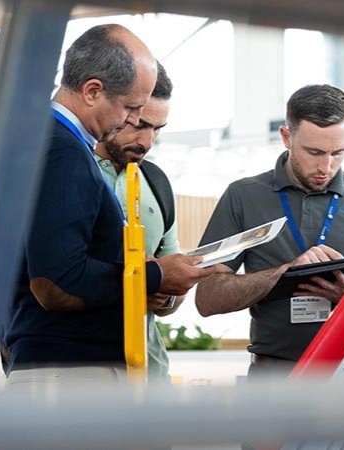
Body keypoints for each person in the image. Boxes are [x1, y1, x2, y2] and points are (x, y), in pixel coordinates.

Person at [1, 24, 211, 387]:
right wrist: (156, 276)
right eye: (131, 108)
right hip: (71, 373)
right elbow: (56, 282)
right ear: (93, 91)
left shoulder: (47, 142)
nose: (133, 122)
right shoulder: (62, 151)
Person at [195, 84, 344, 380]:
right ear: (286, 137)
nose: (326, 166)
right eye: (314, 152)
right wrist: (284, 273)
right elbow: (207, 299)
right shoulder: (244, 196)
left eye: (338, 153)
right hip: (271, 380)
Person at [93, 61, 192, 384]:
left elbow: (171, 296)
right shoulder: (70, 169)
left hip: (150, 376)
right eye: (139, 124)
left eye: (158, 130)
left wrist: (169, 291)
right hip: (79, 370)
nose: (147, 142)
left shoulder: (157, 182)